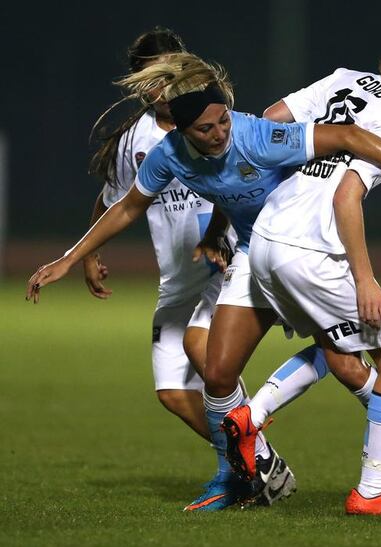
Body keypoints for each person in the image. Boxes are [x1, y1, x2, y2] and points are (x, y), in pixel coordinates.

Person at [26, 51, 381, 508]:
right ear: (181, 132)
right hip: (258, 250)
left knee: (347, 362)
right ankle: (243, 471)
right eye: (207, 129)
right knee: (219, 373)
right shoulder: (169, 157)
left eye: (224, 121)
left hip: (300, 247)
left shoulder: (256, 136)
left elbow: (345, 134)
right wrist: (70, 257)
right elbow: (127, 206)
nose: (221, 133)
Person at [223, 24, 381, 515]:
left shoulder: (344, 79)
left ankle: (251, 416)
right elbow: (346, 196)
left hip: (267, 239)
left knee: (337, 350)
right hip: (310, 250)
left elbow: (269, 121)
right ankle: (372, 491)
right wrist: (365, 280)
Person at [81, 29, 310, 512]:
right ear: (144, 84)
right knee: (170, 391)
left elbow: (239, 184)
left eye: (179, 71)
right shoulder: (134, 144)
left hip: (222, 263)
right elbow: (116, 201)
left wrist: (224, 238)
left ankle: (242, 468)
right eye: (162, 75)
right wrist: (86, 253)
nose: (173, 84)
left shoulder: (211, 121)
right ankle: (254, 459)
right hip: (176, 280)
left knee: (207, 356)